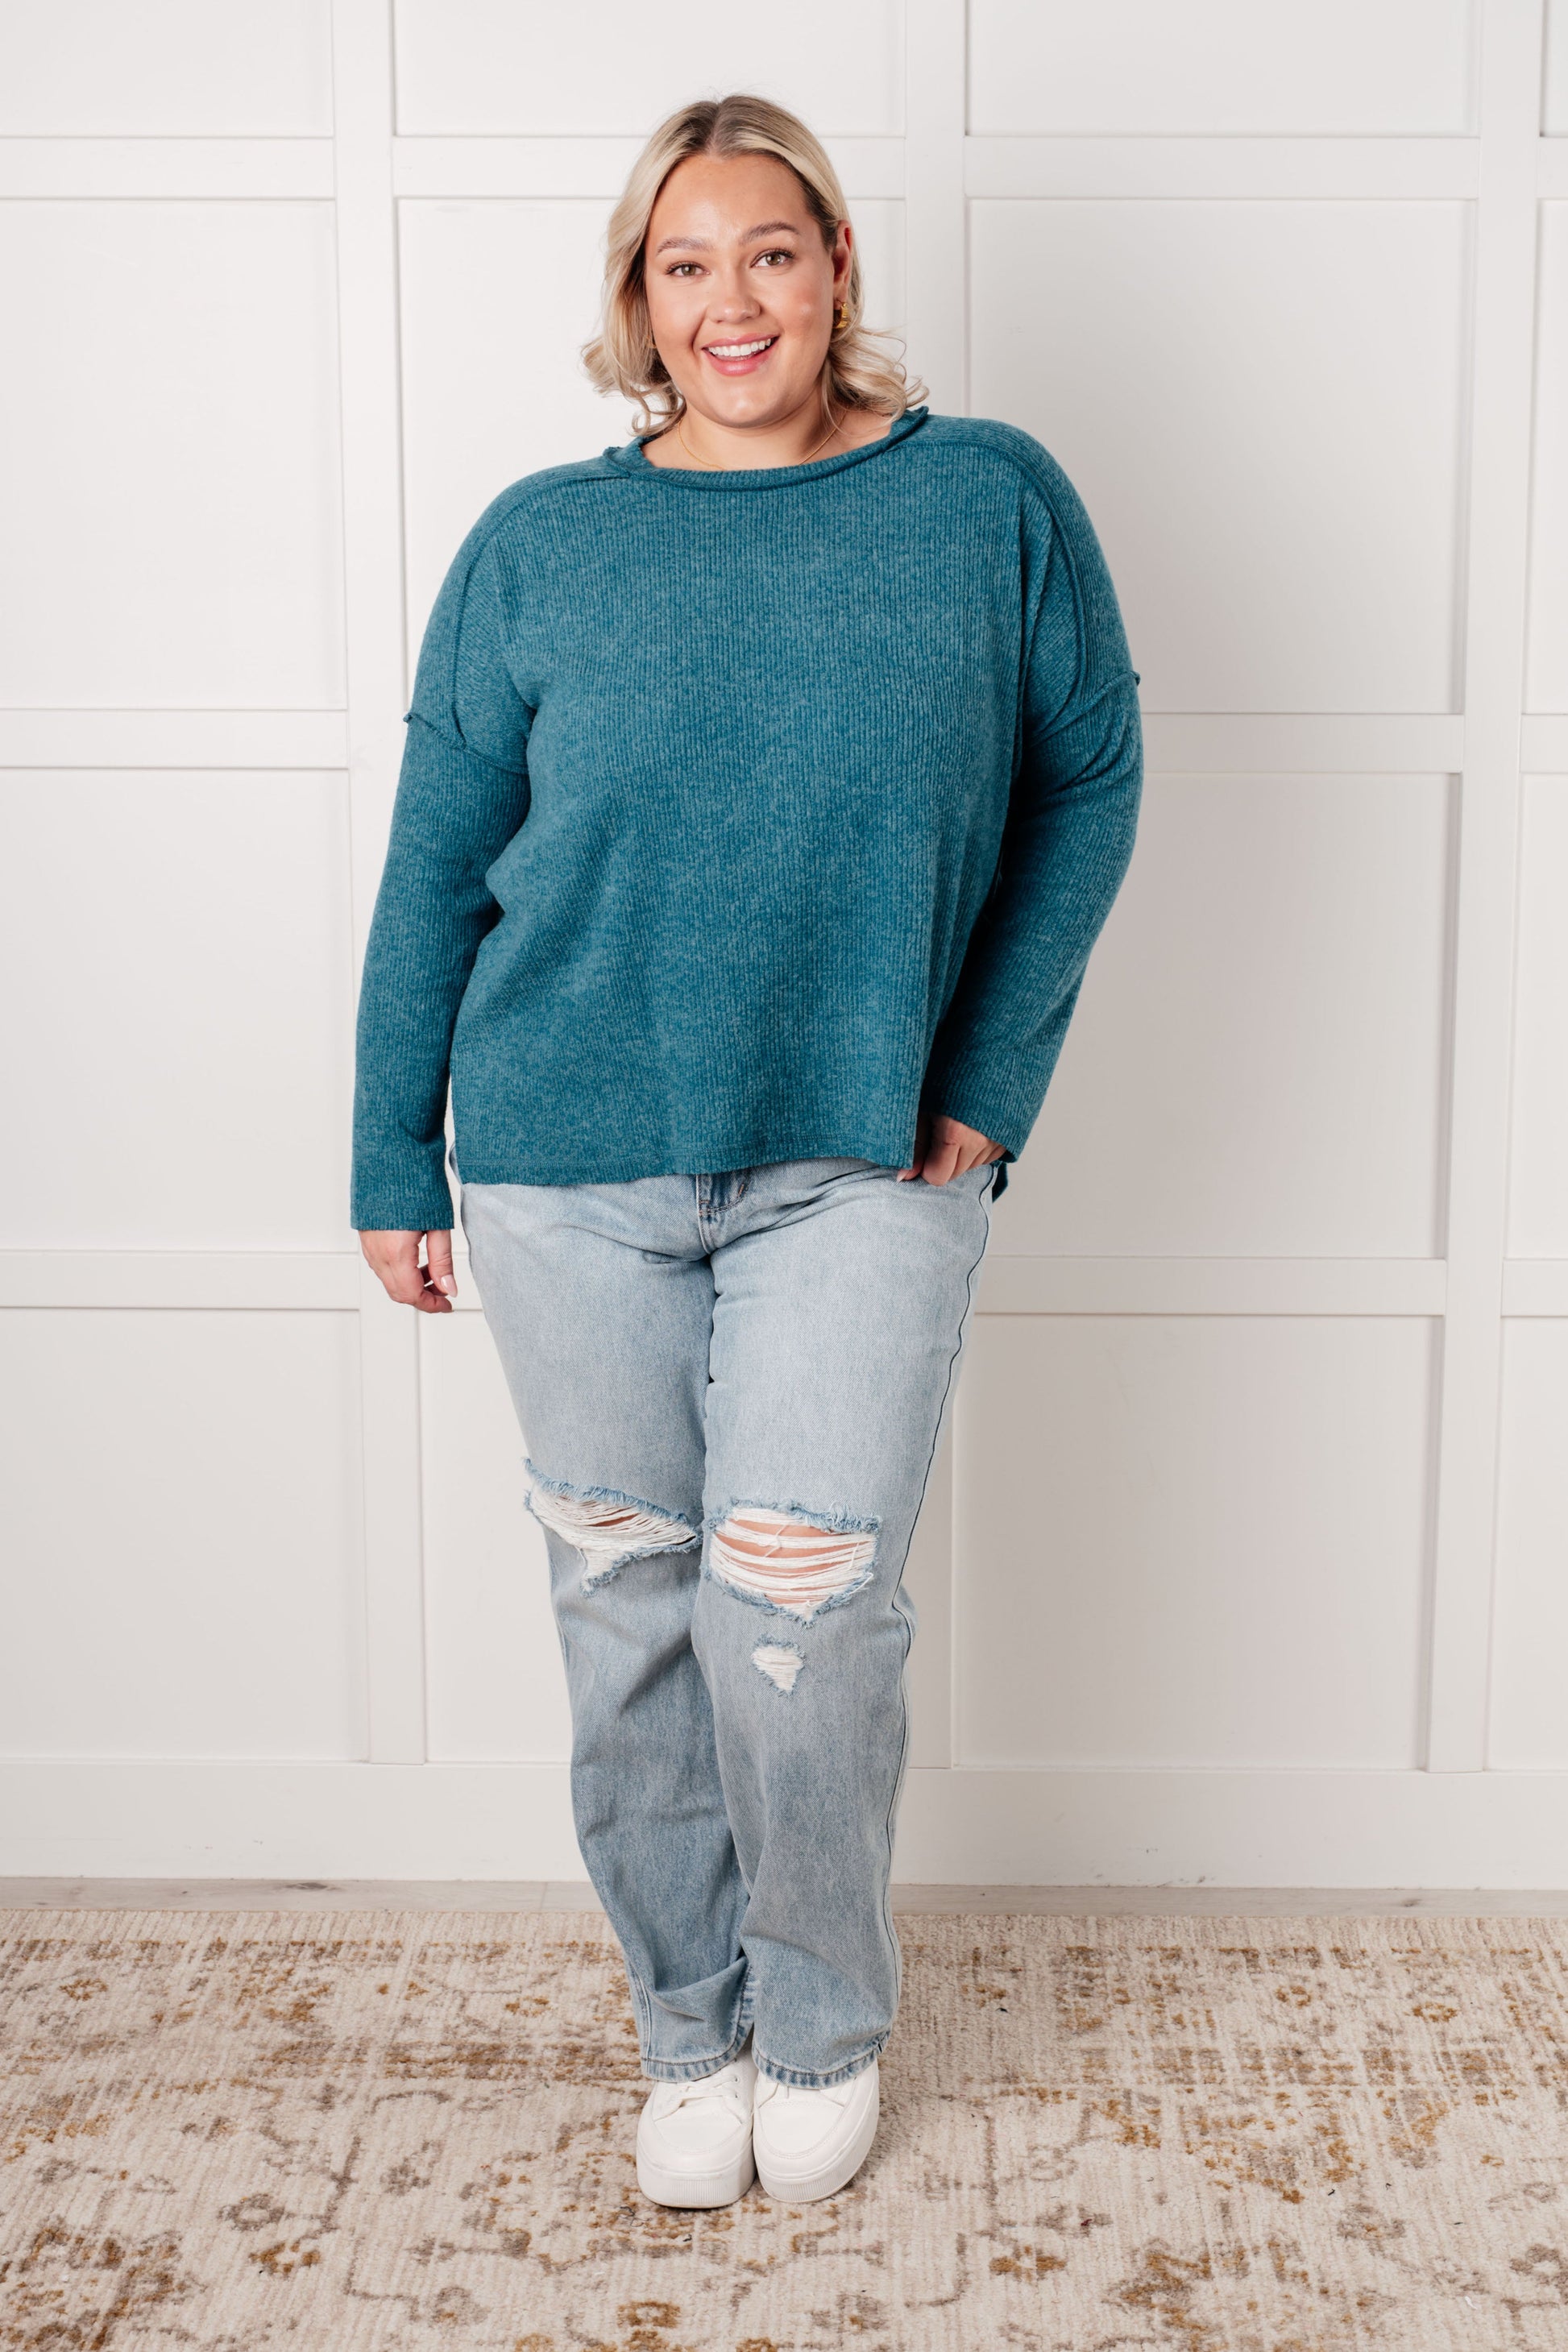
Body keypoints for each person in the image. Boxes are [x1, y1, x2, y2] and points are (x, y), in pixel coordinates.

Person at [352, 92, 1142, 2210]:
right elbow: (437, 858)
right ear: (639, 295)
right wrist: (388, 1150)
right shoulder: (540, 542)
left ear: (836, 267)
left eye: (770, 252)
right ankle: (685, 2030)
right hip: (561, 1162)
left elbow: (1091, 776)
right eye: (685, 262)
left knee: (800, 1616)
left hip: (864, 1161)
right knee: (625, 1617)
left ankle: (818, 2022)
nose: (733, 300)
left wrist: (992, 1070)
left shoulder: (983, 499)